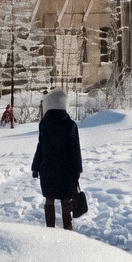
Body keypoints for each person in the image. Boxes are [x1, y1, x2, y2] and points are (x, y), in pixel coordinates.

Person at [31, 88, 83, 230]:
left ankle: (50, 230)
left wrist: (35, 166)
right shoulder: (71, 125)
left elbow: (40, 146)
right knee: (66, 199)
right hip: (66, 170)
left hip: (47, 168)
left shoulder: (44, 124)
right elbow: (75, 149)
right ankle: (67, 229)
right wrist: (77, 169)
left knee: (49, 199)